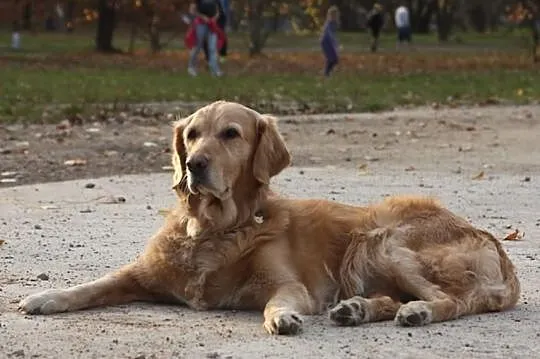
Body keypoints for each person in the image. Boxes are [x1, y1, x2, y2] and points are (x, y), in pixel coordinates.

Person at [187, 0, 223, 77]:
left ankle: (215, 70)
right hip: (200, 24)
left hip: (212, 25)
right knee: (197, 46)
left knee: (212, 48)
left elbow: (218, 11)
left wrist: (215, 17)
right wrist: (202, 16)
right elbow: (192, 10)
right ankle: (191, 67)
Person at [320, 6, 340, 77]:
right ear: (330, 15)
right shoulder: (329, 23)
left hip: (329, 42)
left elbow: (333, 34)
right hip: (326, 41)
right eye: (333, 14)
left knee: (334, 59)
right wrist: (334, 41)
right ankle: (326, 73)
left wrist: (335, 43)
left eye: (336, 14)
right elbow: (328, 33)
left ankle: (327, 72)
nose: (335, 16)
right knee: (332, 59)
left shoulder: (334, 23)